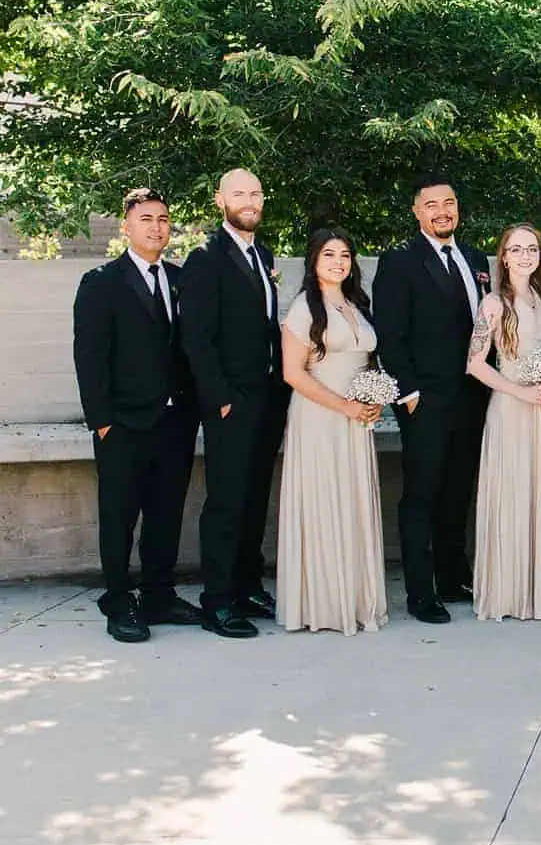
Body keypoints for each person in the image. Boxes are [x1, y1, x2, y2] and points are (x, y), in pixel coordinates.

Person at [72, 188, 202, 642]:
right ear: (126, 227)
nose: (156, 226)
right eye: (146, 219)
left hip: (177, 422)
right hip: (123, 424)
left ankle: (159, 595)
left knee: (166, 513)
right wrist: (102, 421)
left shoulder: (183, 279)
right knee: (119, 515)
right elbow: (89, 357)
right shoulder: (101, 282)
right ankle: (119, 599)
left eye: (164, 219)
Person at [372, 177, 492, 624]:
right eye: (432, 205)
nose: (442, 211)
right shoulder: (400, 261)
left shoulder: (476, 259)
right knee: (421, 494)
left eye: (449, 203)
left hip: (471, 397)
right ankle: (422, 593)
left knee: (458, 489)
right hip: (424, 399)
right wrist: (409, 392)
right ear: (417, 211)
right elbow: (390, 333)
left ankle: (452, 575)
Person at [180, 168, 289, 639]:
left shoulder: (261, 253)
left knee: (254, 496)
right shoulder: (205, 257)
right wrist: (219, 398)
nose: (249, 201)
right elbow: (196, 337)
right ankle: (218, 600)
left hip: (267, 397)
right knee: (226, 500)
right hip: (231, 401)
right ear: (219, 199)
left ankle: (247, 585)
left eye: (255, 193)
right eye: (239, 194)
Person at [275, 228, 386, 635]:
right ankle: (323, 604)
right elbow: (292, 373)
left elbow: (365, 360)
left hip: (357, 420)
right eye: (329, 255)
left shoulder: (358, 304)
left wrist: (372, 397)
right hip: (320, 418)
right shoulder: (306, 307)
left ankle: (355, 599)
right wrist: (345, 406)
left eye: (344, 255)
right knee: (325, 501)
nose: (338, 262)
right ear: (313, 261)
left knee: (352, 502)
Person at [466, 225, 541, 622]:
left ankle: (536, 591)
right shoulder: (493, 303)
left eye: (531, 249)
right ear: (503, 257)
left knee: (537, 494)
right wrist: (520, 392)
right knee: (511, 494)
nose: (525, 255)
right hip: (509, 409)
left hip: (540, 409)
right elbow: (474, 365)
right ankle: (508, 593)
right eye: (516, 249)